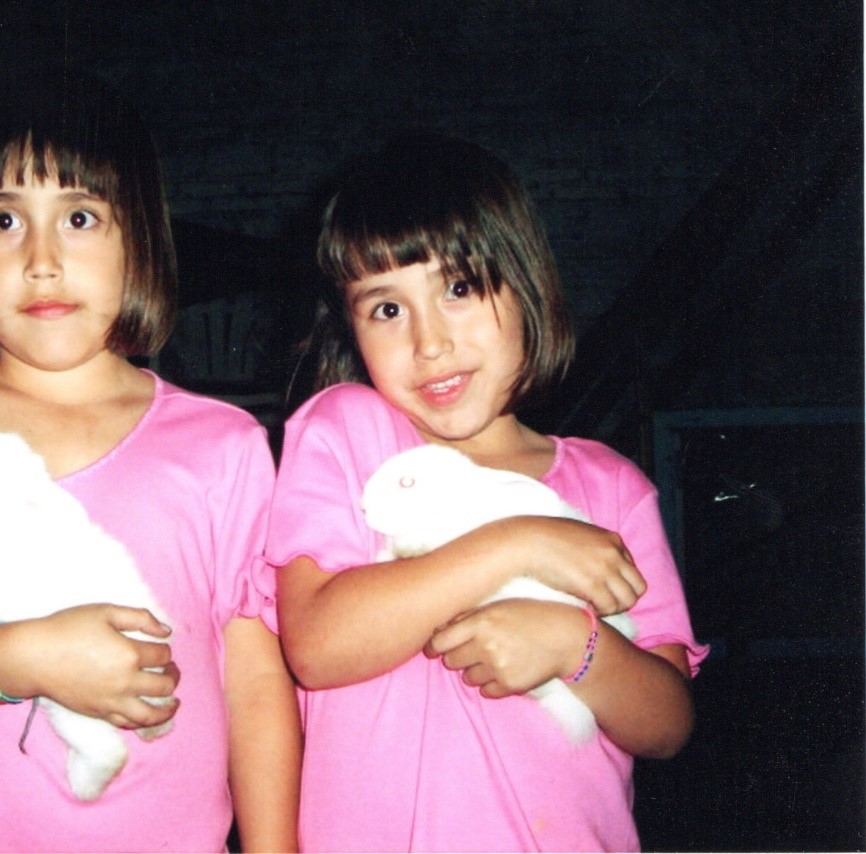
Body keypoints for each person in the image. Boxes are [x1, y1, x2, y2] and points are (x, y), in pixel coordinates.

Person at [0, 72, 300, 853]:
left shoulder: (225, 445)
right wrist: (28, 656)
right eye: (3, 218)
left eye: (78, 217)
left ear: (138, 238)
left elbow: (257, 684)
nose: (40, 259)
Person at [267, 132, 708, 852]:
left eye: (459, 288)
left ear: (527, 284)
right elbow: (316, 645)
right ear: (350, 326)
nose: (429, 341)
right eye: (386, 308)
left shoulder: (610, 485)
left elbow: (668, 724)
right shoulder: (346, 433)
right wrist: (516, 544)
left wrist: (575, 643)